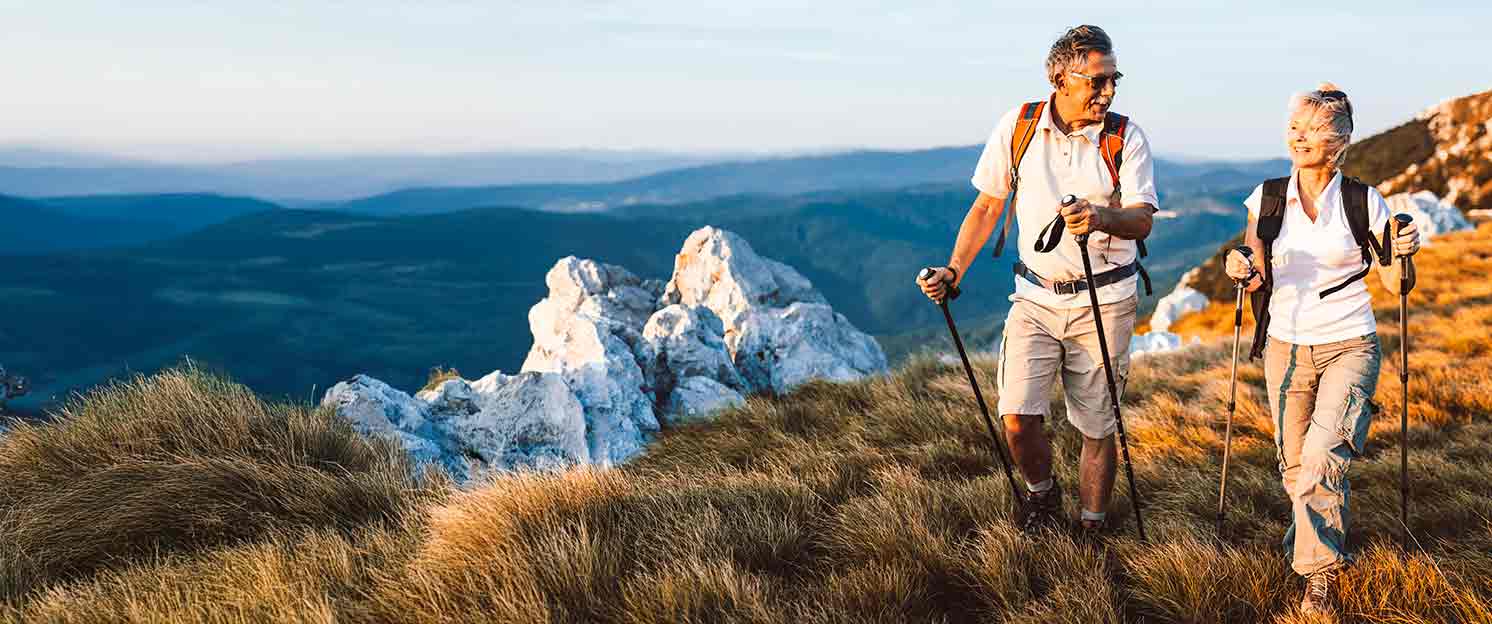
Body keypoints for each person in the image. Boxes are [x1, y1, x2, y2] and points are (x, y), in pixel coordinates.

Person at [915, 25, 1158, 535]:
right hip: (1034, 298)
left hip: (1106, 300)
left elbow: (1141, 221)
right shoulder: (1019, 126)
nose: (1108, 91)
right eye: (1097, 81)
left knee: (1097, 425)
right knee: (1018, 416)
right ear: (1060, 78)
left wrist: (1100, 217)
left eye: (1114, 79)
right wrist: (953, 270)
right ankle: (1042, 498)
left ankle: (1091, 529)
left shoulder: (1125, 137)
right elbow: (987, 206)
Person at [1223, 83, 1420, 617]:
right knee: (1295, 468)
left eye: (1311, 129)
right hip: (1285, 346)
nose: (1298, 136)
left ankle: (1317, 578)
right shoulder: (1266, 197)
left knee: (1321, 458)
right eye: (1294, 126)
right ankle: (1317, 541)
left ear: (1339, 140)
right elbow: (1254, 261)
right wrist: (1238, 265)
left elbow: (1391, 284)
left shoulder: (1362, 201)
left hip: (1350, 342)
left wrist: (1402, 251)